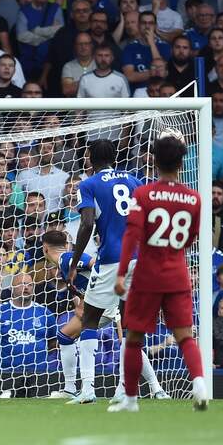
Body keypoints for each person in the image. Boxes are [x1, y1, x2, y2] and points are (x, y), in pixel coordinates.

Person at [110, 134, 209, 412]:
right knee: (185, 336)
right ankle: (199, 383)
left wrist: (120, 274)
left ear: (154, 160)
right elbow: (191, 237)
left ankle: (130, 399)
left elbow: (132, 234)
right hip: (178, 274)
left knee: (134, 337)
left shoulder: (143, 194)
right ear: (181, 163)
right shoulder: (193, 198)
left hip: (147, 276)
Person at [42, 230, 167, 401]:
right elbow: (81, 285)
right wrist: (81, 301)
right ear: (65, 244)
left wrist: (99, 294)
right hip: (101, 303)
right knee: (65, 336)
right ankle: (70, 389)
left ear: (45, 249)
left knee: (127, 343)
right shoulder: (64, 264)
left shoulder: (67, 258)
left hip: (110, 299)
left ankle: (154, 388)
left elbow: (94, 264)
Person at [66, 139, 142, 404]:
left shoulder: (88, 184)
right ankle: (124, 388)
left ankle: (87, 389)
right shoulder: (134, 180)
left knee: (89, 319)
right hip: (139, 256)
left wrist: (75, 262)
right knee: (131, 322)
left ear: (89, 157)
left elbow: (86, 223)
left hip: (112, 258)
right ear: (114, 156)